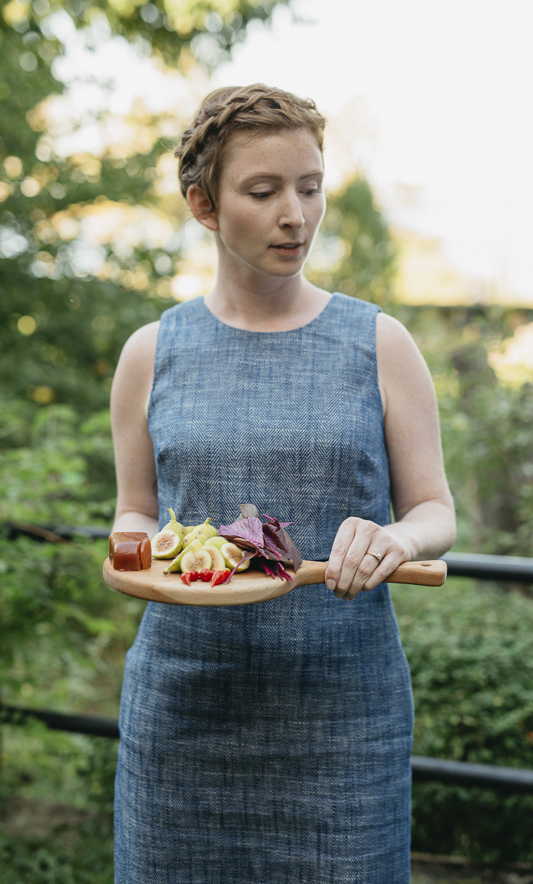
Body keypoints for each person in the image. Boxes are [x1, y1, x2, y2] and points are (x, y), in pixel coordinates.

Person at [109, 84, 456, 881]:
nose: (296, 214)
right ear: (203, 204)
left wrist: (397, 538)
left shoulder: (380, 342)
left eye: (310, 185)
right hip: (182, 712)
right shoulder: (149, 353)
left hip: (343, 719)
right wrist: (132, 546)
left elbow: (436, 510)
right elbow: (135, 508)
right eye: (264, 192)